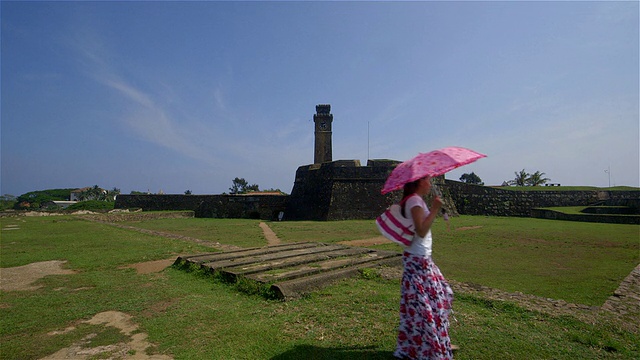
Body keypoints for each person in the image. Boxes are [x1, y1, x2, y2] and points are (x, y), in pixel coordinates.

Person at [394, 176, 454, 360]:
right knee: (427, 306)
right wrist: (435, 209)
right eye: (428, 181)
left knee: (439, 297)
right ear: (419, 183)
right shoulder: (414, 201)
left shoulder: (415, 200)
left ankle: (426, 342)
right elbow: (421, 230)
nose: (430, 184)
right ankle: (428, 345)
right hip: (418, 261)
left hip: (421, 259)